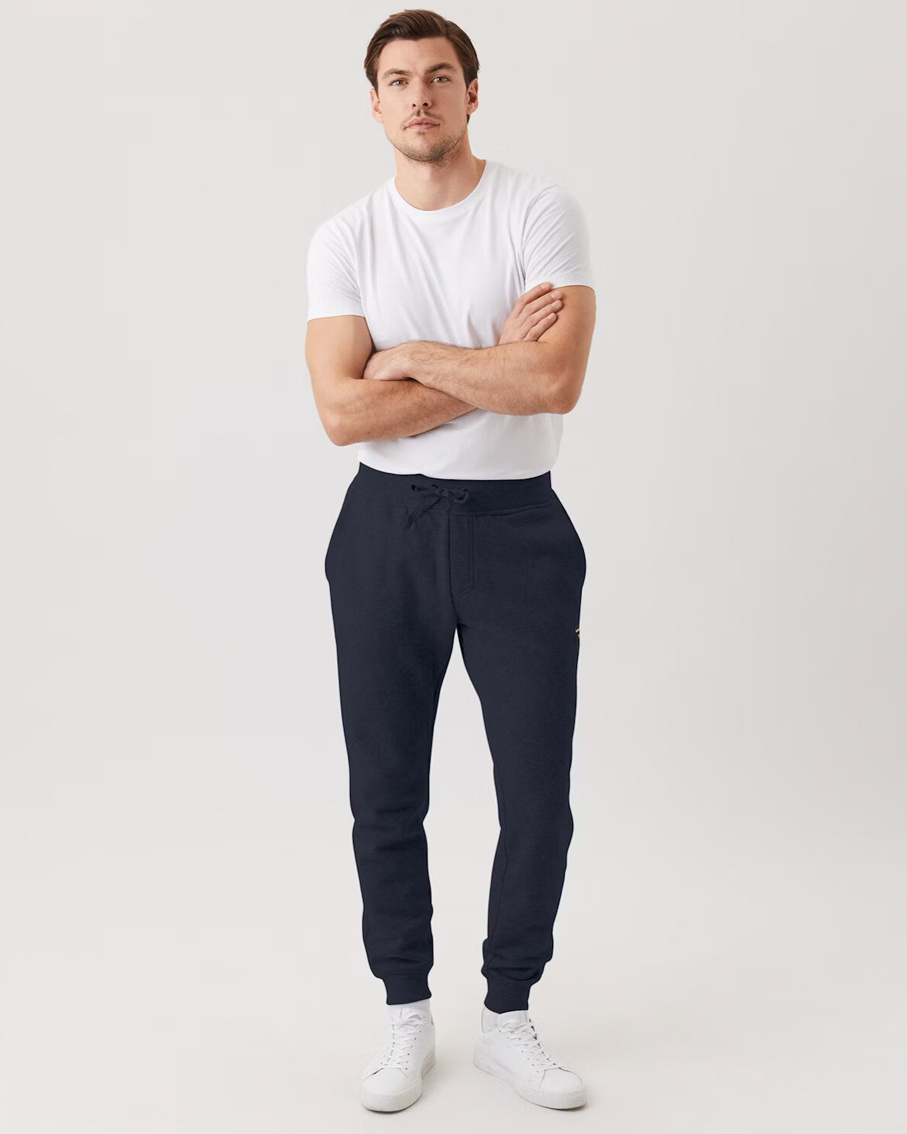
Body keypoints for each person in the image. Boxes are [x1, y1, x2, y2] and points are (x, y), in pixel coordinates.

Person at [305, 8, 596, 1113]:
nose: (419, 96)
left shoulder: (537, 211)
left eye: (438, 76)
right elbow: (342, 414)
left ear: (473, 93)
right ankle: (405, 1011)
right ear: (374, 103)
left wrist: (413, 359)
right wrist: (489, 363)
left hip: (519, 529)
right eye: (398, 80)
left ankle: (508, 1014)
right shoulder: (345, 238)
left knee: (537, 795)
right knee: (384, 789)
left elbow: (554, 381)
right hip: (384, 529)